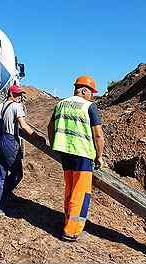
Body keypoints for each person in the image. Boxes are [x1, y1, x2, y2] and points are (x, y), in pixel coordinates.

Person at [47, 76, 104, 241]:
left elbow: (50, 126)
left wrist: (54, 144)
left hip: (65, 154)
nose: (92, 97)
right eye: (92, 93)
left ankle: (67, 222)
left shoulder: (60, 104)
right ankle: (71, 231)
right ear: (85, 91)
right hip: (83, 154)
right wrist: (99, 157)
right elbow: (98, 135)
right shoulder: (89, 106)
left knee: (70, 189)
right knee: (81, 194)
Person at [0, 84, 45, 216]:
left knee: (0, 176)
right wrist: (37, 137)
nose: (20, 97)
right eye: (18, 94)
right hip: (10, 142)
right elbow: (23, 125)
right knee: (17, 174)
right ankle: (4, 195)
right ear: (12, 94)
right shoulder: (16, 107)